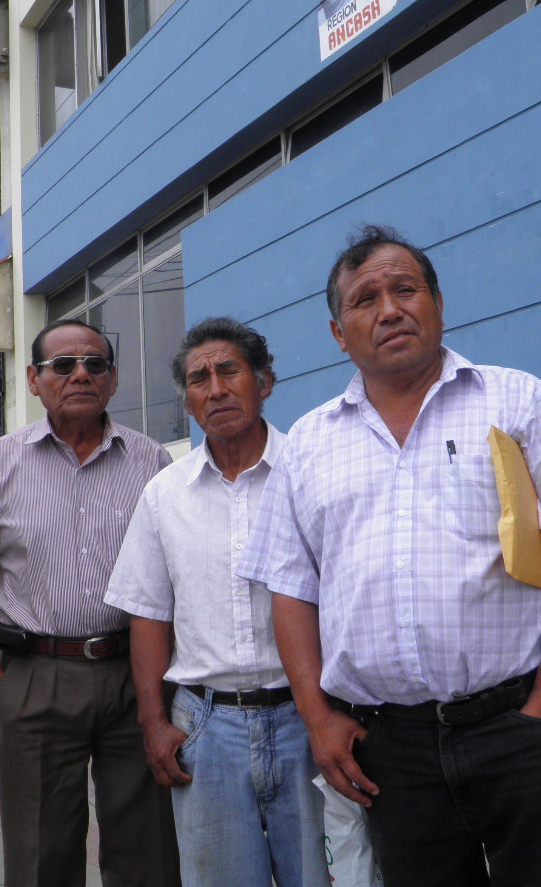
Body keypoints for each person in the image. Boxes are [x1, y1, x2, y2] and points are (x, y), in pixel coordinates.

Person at [239, 226, 541, 887]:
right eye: (365, 300)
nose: (389, 310)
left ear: (437, 303)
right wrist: (319, 719)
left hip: (521, 725)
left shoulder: (520, 402)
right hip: (389, 750)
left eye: (405, 290)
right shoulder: (309, 445)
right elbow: (291, 589)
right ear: (339, 333)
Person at [0, 319, 179, 887]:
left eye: (95, 364)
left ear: (113, 379)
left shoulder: (151, 461)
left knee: (149, 850)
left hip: (136, 674)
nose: (80, 374)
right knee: (41, 854)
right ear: (34, 380)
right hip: (36, 676)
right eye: (63, 365)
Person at [105, 317, 329, 887]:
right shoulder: (164, 495)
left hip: (308, 720)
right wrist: (154, 722)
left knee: (322, 876)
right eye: (199, 379)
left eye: (229, 371)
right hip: (205, 727)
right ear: (188, 402)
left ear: (265, 381)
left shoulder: (313, 473)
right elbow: (148, 614)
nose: (216, 389)